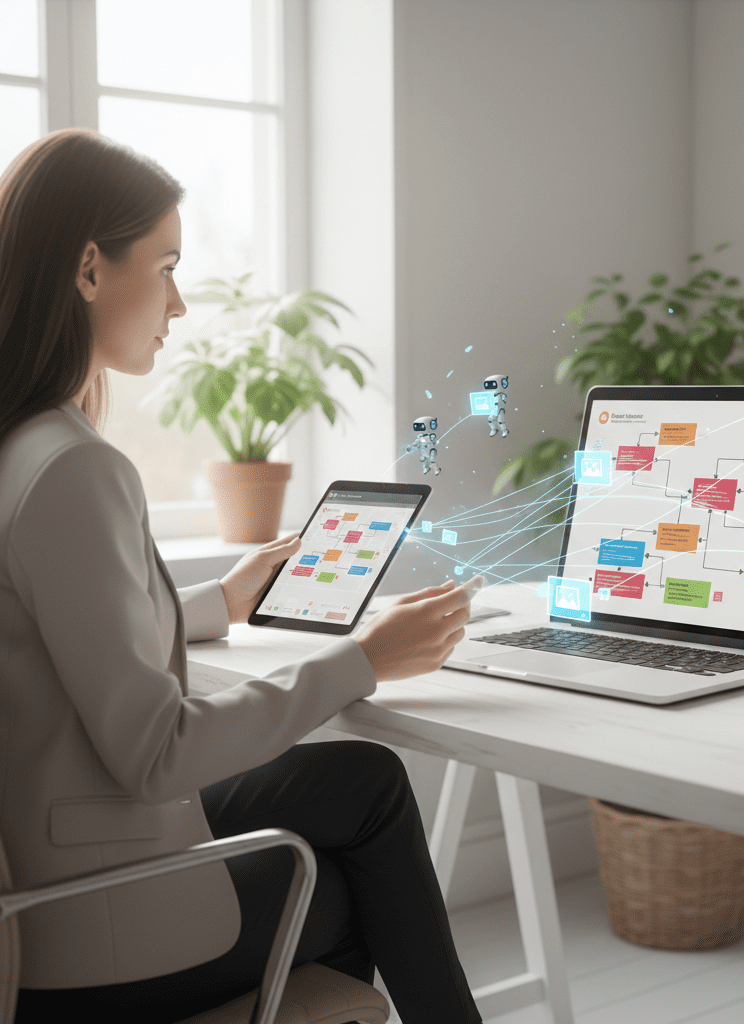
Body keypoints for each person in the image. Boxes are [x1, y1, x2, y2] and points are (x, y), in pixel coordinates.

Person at [0, 129, 482, 1024]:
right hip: (88, 936)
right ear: (88, 269)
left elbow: (52, 640)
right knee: (346, 877)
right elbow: (157, 755)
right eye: (167, 265)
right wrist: (363, 660)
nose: (178, 303)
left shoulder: (21, 447)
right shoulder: (73, 470)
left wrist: (219, 603)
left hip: (54, 845)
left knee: (362, 781)